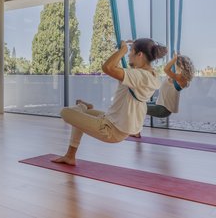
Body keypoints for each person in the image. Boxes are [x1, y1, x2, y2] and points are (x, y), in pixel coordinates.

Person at [52, 38, 168, 166]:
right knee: (83, 115)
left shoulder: (139, 75)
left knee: (66, 112)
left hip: (110, 130)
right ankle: (70, 156)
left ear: (140, 54)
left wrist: (122, 50)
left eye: (131, 51)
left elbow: (107, 67)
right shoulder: (151, 74)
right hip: (114, 122)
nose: (128, 54)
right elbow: (118, 68)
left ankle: (82, 106)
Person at [130, 53, 194, 138]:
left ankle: (136, 131)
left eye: (177, 63)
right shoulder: (176, 76)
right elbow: (168, 70)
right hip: (160, 104)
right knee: (138, 105)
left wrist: (174, 59)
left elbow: (166, 69)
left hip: (163, 109)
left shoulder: (181, 79)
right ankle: (136, 131)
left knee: (138, 107)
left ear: (181, 66)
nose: (175, 64)